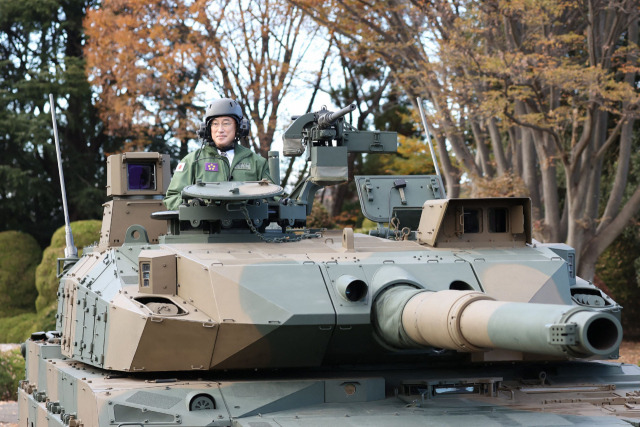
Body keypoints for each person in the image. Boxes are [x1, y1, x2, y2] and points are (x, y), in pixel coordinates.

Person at [164, 98, 272, 210]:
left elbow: (274, 199)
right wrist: (193, 205)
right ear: (207, 129)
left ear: (240, 127)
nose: (220, 130)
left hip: (246, 225)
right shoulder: (192, 161)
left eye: (226, 123)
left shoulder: (257, 162)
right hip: (204, 226)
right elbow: (172, 198)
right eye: (215, 124)